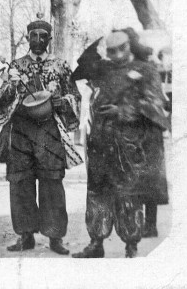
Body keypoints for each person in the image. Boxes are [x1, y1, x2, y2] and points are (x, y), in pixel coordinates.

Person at [70, 29, 169, 258]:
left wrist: (122, 110)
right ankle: (96, 243)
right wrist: (99, 40)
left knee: (127, 194)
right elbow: (81, 68)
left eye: (120, 49)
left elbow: (154, 105)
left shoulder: (146, 70)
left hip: (129, 142)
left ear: (129, 47)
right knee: (97, 192)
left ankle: (131, 246)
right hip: (100, 141)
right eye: (110, 50)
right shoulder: (103, 68)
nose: (115, 55)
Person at [0, 14, 81, 255]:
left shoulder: (60, 66)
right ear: (28, 38)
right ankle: (25, 235)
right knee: (20, 182)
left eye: (44, 36)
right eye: (34, 36)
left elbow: (75, 96)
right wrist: (10, 85)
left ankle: (55, 237)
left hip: (49, 131)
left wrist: (60, 100)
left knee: (52, 181)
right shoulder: (16, 66)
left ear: (50, 39)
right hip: (21, 129)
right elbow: (1, 97)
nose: (38, 40)